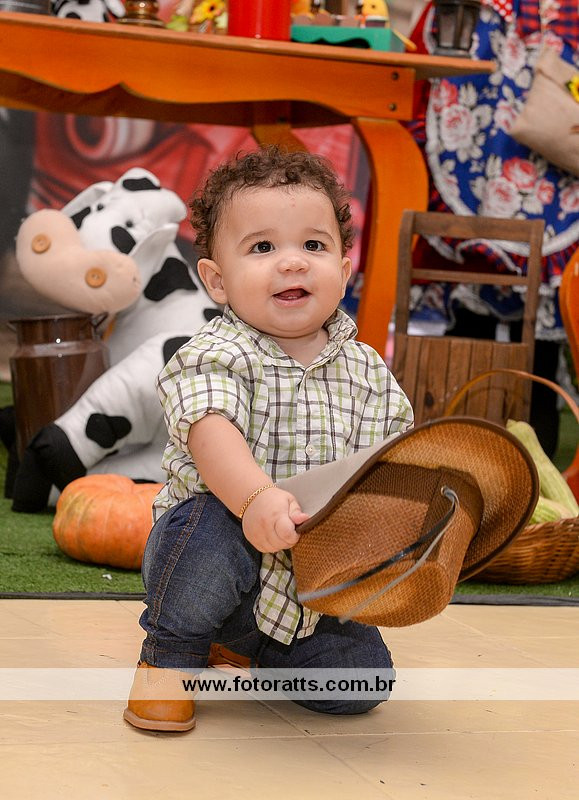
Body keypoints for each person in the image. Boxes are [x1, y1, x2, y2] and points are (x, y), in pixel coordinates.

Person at [123, 147, 414, 733]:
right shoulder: (215, 352)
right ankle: (170, 657)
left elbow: (392, 462)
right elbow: (211, 430)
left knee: (364, 681)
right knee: (210, 527)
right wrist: (255, 499)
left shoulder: (368, 372)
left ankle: (251, 655)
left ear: (344, 270)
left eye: (313, 245)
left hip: (307, 590)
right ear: (217, 280)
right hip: (214, 553)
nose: (292, 263)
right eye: (262, 247)